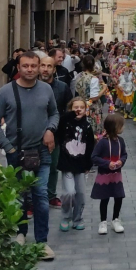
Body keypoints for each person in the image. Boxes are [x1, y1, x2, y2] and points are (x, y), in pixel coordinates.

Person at [0, 51, 58, 259]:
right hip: (16, 153)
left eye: (34, 66)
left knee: (40, 196)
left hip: (41, 152)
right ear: (19, 67)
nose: (30, 70)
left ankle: (41, 242)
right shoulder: (5, 92)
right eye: (26, 66)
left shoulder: (46, 89)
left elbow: (54, 113)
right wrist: (8, 147)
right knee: (20, 196)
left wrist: (50, 129)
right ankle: (21, 233)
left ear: (40, 67)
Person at [57, 97, 95, 231]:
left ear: (86, 110)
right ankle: (66, 216)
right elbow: (59, 126)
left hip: (81, 165)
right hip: (67, 163)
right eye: (75, 107)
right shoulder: (65, 123)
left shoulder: (88, 125)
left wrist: (88, 165)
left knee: (80, 194)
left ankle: (77, 218)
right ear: (70, 109)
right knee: (69, 192)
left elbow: (91, 146)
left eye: (81, 107)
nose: (78, 109)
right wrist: (70, 115)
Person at [39, 56, 72, 209]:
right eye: (43, 65)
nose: (45, 69)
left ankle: (51, 195)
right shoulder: (33, 86)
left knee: (52, 167)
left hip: (56, 134)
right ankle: (32, 201)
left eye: (49, 66)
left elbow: (68, 109)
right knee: (31, 168)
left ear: (54, 69)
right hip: (33, 134)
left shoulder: (62, 87)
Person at [91, 114, 127, 235]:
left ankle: (115, 219)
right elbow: (94, 157)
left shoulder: (121, 141)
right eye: (121, 126)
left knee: (119, 196)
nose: (123, 128)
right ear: (115, 127)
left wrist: (121, 161)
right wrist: (107, 163)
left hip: (117, 175)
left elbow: (124, 154)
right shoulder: (102, 142)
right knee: (104, 198)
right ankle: (103, 221)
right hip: (104, 175)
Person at [75, 55, 107, 135]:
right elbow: (94, 98)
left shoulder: (78, 76)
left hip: (81, 103)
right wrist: (103, 89)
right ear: (93, 65)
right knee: (93, 129)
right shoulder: (93, 78)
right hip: (92, 107)